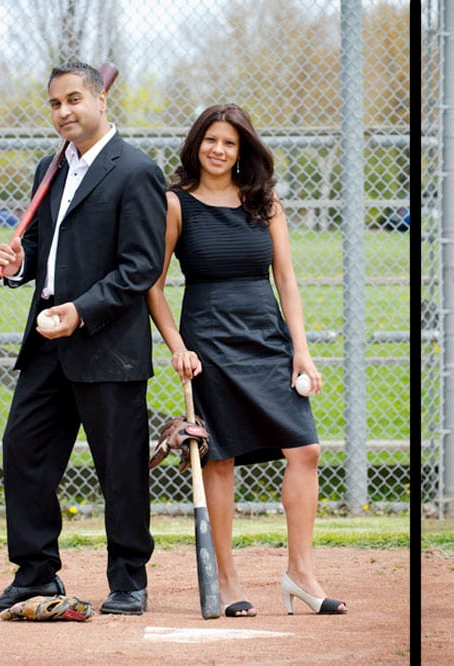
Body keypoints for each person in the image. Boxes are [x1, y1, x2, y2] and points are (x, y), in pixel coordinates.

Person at [0, 62, 167, 616]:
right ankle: (36, 575)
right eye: (55, 103)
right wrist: (16, 264)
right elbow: (38, 247)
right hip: (47, 343)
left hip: (107, 345)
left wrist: (80, 312)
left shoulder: (135, 171)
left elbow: (140, 267)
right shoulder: (48, 168)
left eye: (74, 99)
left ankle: (129, 580)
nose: (64, 112)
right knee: (23, 449)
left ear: (101, 100)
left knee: (119, 468)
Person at [147, 103, 346, 617]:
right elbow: (155, 285)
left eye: (230, 143)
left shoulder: (264, 203)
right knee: (220, 458)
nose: (218, 149)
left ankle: (301, 573)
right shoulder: (175, 204)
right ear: (196, 144)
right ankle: (228, 580)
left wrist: (301, 350)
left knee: (305, 450)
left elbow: (287, 280)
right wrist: (177, 346)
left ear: (243, 151)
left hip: (267, 338)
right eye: (210, 139)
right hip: (209, 344)